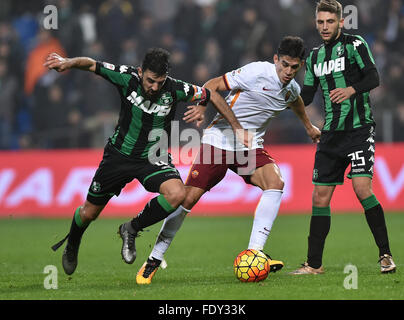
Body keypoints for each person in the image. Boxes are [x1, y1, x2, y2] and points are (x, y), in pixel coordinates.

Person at [131, 36, 322, 284]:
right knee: (187, 198)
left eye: (294, 67)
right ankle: (154, 260)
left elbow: (295, 101)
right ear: (275, 59)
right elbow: (213, 84)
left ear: (300, 66)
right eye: (284, 64)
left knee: (275, 183)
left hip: (248, 146)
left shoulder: (292, 88)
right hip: (219, 140)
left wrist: (308, 126)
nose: (287, 71)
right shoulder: (256, 72)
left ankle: (254, 253)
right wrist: (201, 105)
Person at [45, 48, 250, 275]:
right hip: (119, 156)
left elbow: (212, 95)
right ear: (141, 72)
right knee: (89, 213)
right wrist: (68, 62)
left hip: (154, 156)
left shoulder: (175, 88)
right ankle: (73, 243)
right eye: (150, 81)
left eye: (159, 82)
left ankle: (131, 229)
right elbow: (92, 64)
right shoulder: (126, 76)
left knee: (177, 194)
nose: (154, 87)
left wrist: (236, 129)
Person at [291, 0, 396, 275]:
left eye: (329, 21)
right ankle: (314, 264)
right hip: (330, 135)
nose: (324, 27)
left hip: (359, 130)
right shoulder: (314, 57)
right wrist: (285, 101)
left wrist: (351, 90)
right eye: (320, 22)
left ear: (341, 22)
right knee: (319, 197)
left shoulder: (355, 44)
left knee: (363, 190)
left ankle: (385, 254)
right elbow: (308, 95)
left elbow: (374, 78)